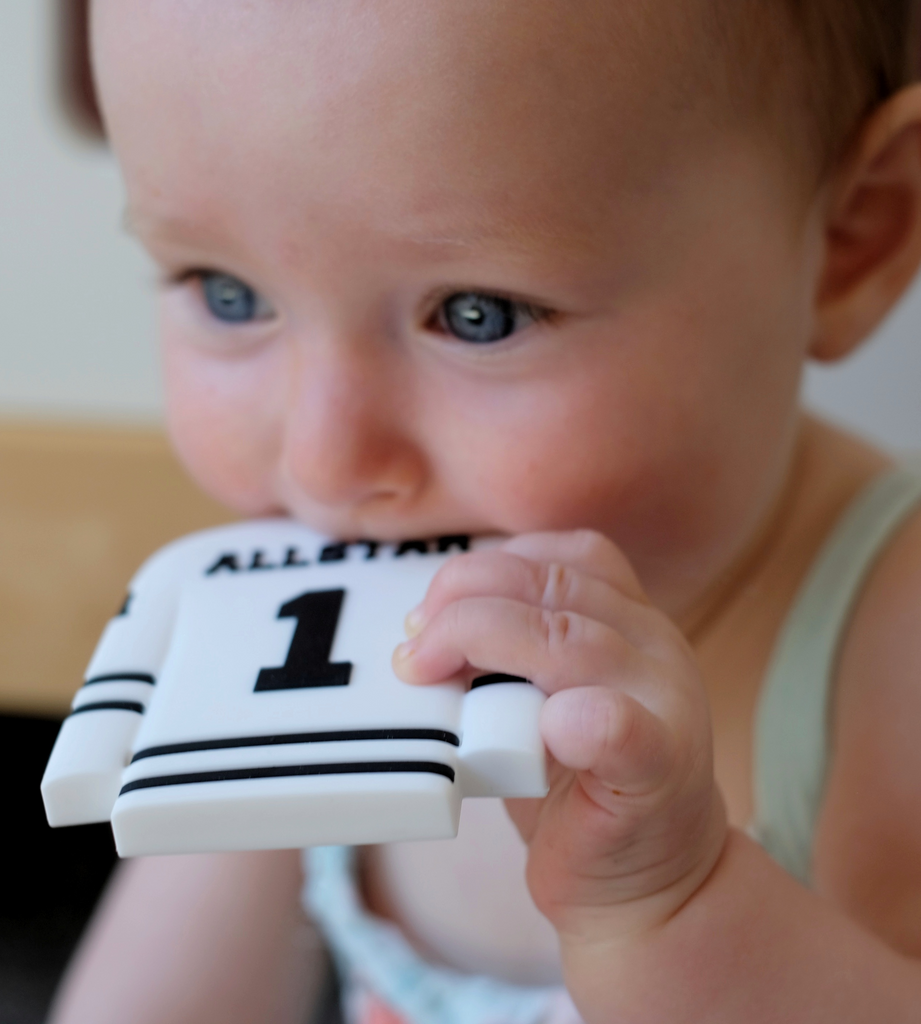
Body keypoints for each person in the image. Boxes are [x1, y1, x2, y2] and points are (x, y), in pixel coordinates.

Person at [48, 1, 921, 1021]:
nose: (326, 468)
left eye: (479, 314)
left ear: (857, 233)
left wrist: (677, 910)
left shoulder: (887, 652)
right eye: (228, 293)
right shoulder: (302, 644)